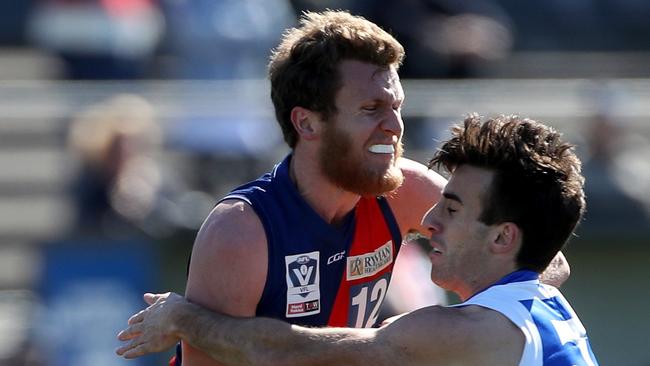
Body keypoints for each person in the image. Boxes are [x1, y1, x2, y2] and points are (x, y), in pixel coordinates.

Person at [143, 11, 568, 365]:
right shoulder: (242, 230)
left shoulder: (406, 190)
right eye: (371, 109)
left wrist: (459, 330)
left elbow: (545, 260)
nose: (394, 126)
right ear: (306, 122)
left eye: (396, 107)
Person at [117, 115, 598, 365]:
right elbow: (550, 262)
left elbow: (288, 354)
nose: (428, 220)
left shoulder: (470, 331)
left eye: (451, 209)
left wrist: (183, 317)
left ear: (504, 238)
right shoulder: (539, 300)